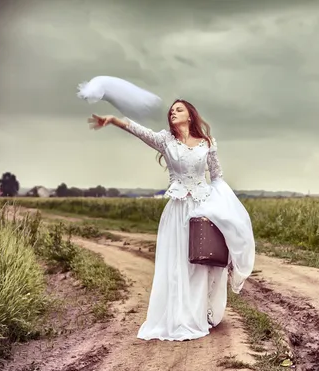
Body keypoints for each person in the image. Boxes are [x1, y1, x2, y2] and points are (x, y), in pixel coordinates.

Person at [87, 99, 255, 341]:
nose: (173, 113)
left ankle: (197, 315)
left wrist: (221, 208)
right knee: (176, 266)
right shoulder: (165, 140)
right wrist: (113, 121)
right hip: (176, 212)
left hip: (201, 210)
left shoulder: (207, 143)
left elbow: (217, 177)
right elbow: (139, 131)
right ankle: (177, 318)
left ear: (190, 115)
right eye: (171, 111)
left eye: (179, 110)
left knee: (199, 267)